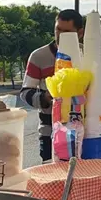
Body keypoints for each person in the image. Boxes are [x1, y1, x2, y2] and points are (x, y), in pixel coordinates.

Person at [19, 9, 84, 162]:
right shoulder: (39, 56)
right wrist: (47, 97)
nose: (60, 35)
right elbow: (25, 92)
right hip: (50, 133)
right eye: (58, 29)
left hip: (84, 133)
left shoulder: (87, 55)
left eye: (67, 32)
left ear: (79, 33)